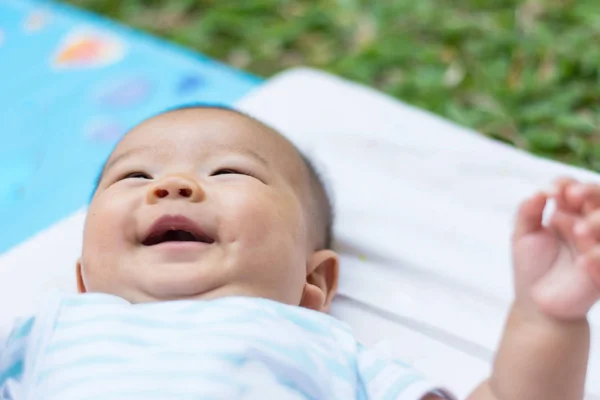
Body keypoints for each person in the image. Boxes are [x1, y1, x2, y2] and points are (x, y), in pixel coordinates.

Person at [1, 105, 599, 399]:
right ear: (83, 278)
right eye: (133, 177)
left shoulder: (328, 349)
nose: (173, 185)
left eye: (230, 171)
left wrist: (545, 318)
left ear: (315, 283)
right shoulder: (49, 330)